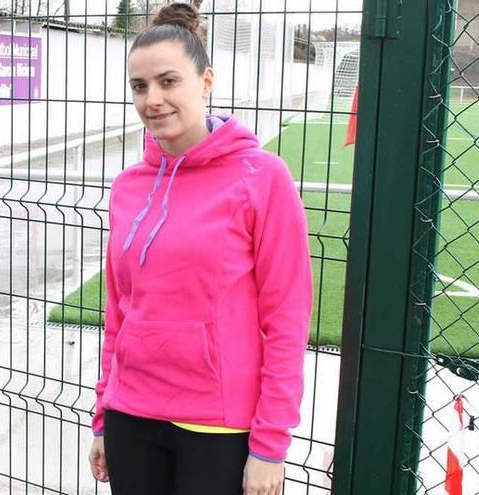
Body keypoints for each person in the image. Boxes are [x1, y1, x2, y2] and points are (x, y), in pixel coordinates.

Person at [87, 3, 312, 495]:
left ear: (206, 81)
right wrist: (103, 412)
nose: (153, 100)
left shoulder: (262, 177)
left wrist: (270, 444)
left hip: (218, 426)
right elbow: (118, 312)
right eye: (140, 86)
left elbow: (287, 318)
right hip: (131, 416)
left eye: (169, 82)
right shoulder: (129, 186)